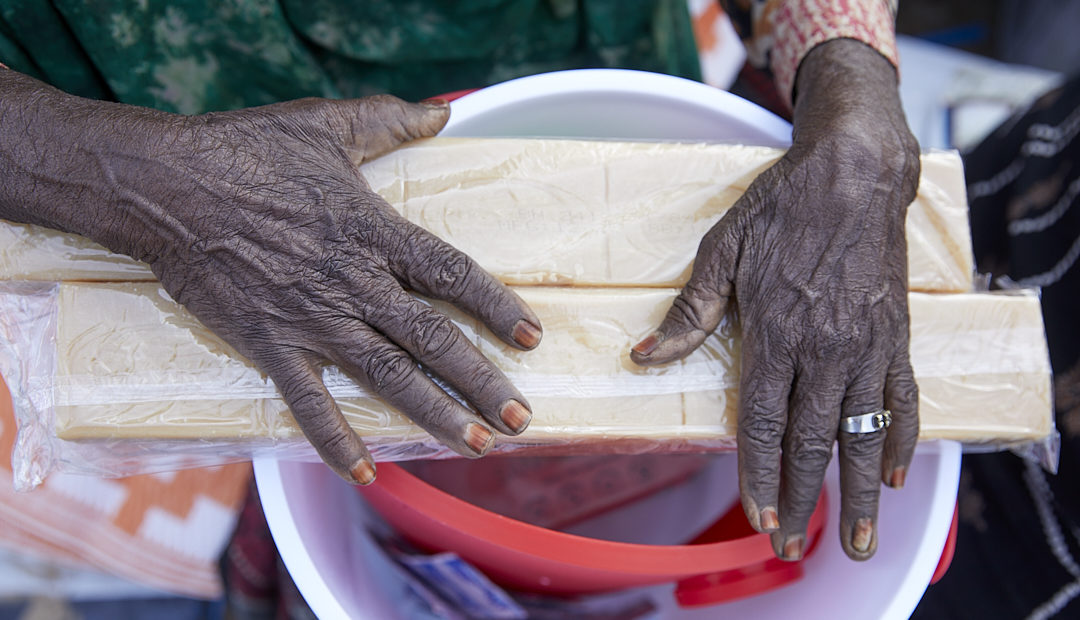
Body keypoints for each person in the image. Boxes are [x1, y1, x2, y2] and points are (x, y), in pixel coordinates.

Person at [0, 0, 917, 566]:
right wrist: (145, 183)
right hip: (168, 205)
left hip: (595, 91)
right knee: (306, 425)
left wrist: (852, 93)